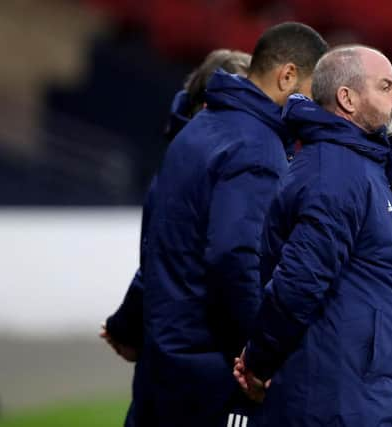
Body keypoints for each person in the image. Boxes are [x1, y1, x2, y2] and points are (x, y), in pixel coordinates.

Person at [127, 22, 327, 427]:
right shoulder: (256, 146)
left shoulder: (198, 129)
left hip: (164, 361)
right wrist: (257, 354)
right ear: (286, 75)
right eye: (310, 89)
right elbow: (234, 257)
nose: (314, 107)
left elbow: (158, 242)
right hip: (212, 372)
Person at [234, 46, 392, 427]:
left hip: (355, 392)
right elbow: (298, 283)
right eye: (386, 86)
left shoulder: (357, 164)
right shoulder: (338, 172)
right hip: (338, 400)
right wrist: (258, 363)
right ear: (347, 98)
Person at [101, 48, 251, 364]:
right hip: (208, 354)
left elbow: (157, 262)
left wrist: (125, 326)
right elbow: (232, 261)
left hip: (165, 350)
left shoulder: (175, 162)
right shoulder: (236, 165)